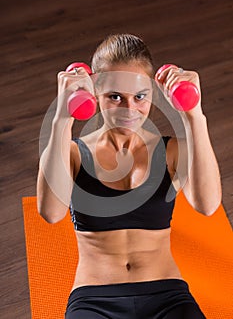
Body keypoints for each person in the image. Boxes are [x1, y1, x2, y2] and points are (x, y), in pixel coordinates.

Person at [37, 34, 222, 318]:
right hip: (94, 300)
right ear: (95, 92)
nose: (129, 109)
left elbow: (208, 205)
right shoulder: (74, 153)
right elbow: (50, 213)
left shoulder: (171, 151)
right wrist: (63, 117)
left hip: (167, 295)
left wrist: (193, 115)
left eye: (139, 97)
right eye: (115, 97)